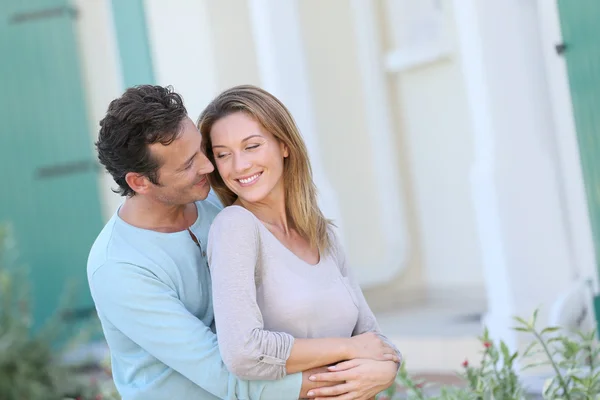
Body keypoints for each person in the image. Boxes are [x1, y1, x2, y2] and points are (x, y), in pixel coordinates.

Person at [87, 84, 397, 400]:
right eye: (188, 164)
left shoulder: (218, 204)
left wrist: (384, 365)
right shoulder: (119, 268)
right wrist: (353, 369)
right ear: (140, 182)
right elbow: (227, 374)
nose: (209, 167)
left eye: (203, 151)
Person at [197, 85, 402, 400]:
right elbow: (243, 352)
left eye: (251, 146)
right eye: (223, 154)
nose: (239, 166)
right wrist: (348, 349)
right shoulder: (235, 227)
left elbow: (371, 336)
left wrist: (389, 367)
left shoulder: (321, 233)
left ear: (284, 145)